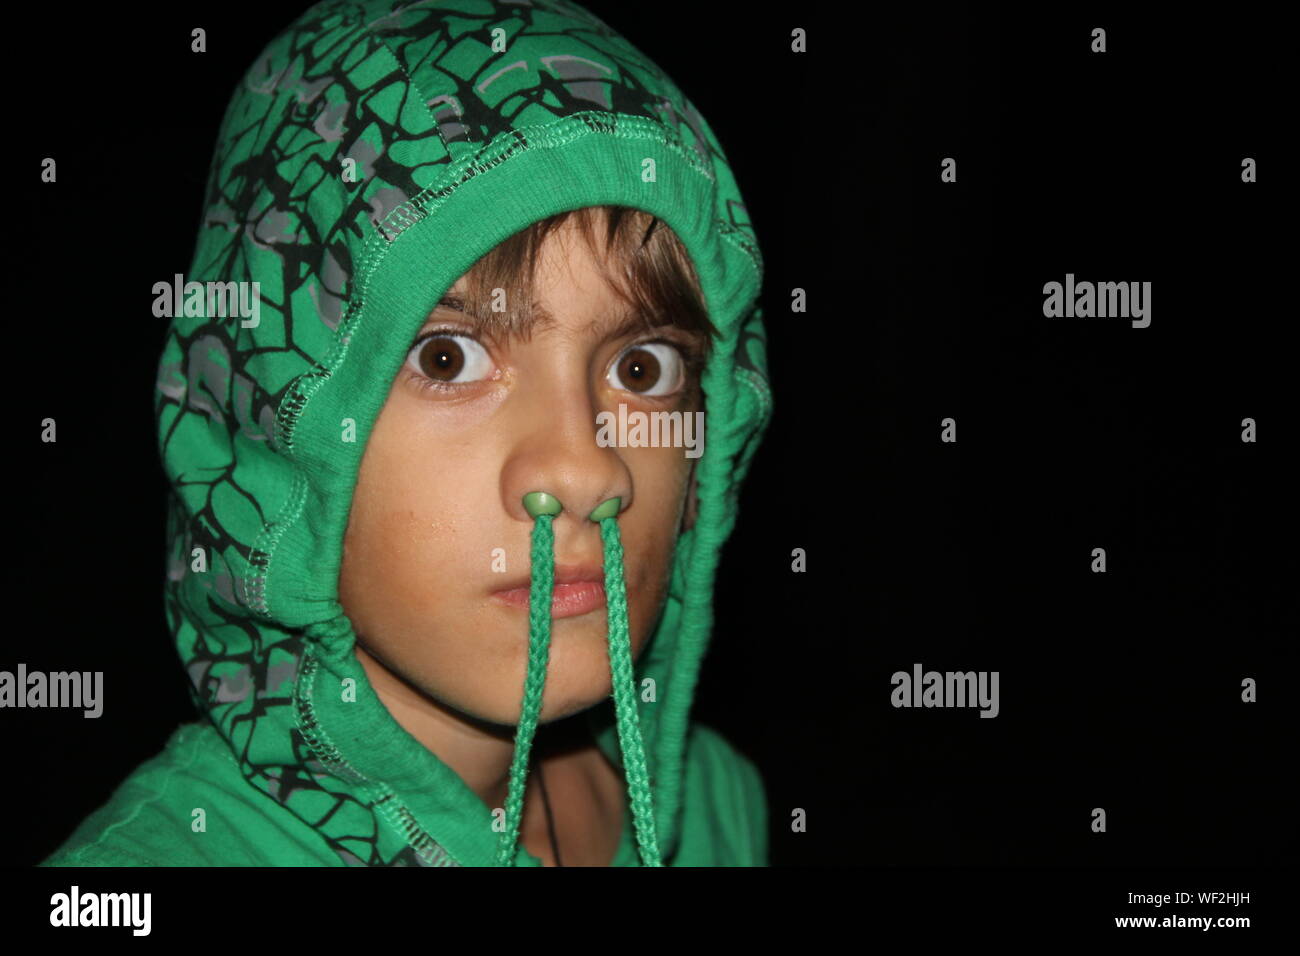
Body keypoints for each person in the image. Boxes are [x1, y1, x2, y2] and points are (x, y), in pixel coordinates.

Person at [42, 0, 773, 867]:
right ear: (275, 435)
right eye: (447, 359)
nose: (585, 468)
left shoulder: (721, 808)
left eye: (643, 368)